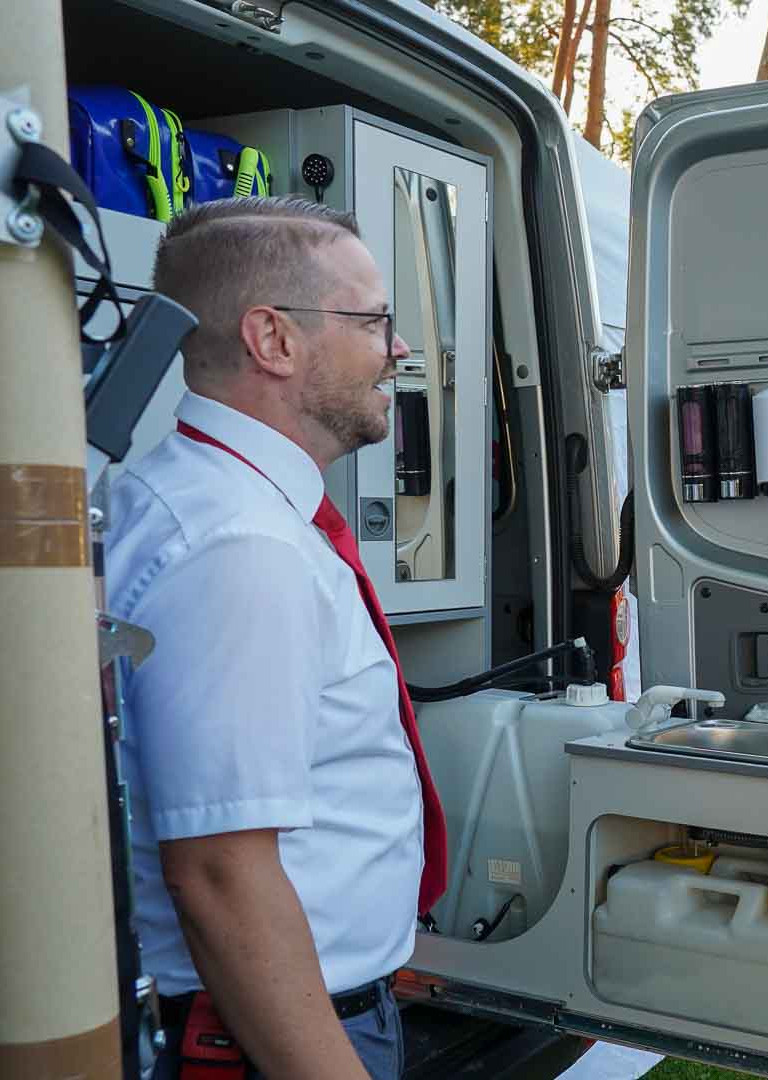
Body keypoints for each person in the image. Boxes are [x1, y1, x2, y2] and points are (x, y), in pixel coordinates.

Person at [107, 196, 449, 1080]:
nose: (397, 347)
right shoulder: (239, 546)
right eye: (374, 321)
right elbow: (220, 872)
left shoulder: (213, 505)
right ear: (274, 340)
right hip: (258, 1039)